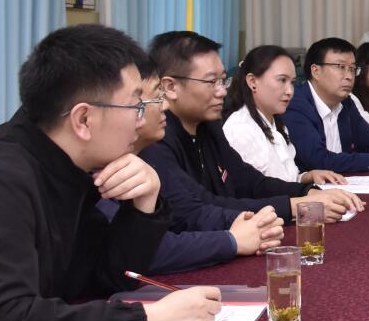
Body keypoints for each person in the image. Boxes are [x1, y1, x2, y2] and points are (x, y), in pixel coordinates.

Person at [0, 25, 221, 321]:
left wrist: (145, 205)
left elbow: (108, 275)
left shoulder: (65, 167)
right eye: (135, 106)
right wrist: (147, 319)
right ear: (83, 119)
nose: (140, 121)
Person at [142, 32, 361, 225]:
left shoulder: (209, 127)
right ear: (170, 87)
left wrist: (307, 191)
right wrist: (297, 206)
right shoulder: (155, 139)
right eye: (211, 82)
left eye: (223, 80)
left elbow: (249, 182)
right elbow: (199, 207)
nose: (222, 91)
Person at [98, 60, 286, 274]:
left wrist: (242, 221)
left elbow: (190, 211)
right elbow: (140, 252)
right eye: (138, 103)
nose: (165, 105)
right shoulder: (102, 171)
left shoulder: (203, 131)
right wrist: (232, 240)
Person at [223, 45, 354, 184]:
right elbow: (258, 191)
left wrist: (308, 176)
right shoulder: (241, 129)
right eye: (282, 80)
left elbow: (285, 180)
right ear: (252, 82)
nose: (290, 91)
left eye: (292, 82)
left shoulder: (276, 124)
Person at [284, 37, 369, 174]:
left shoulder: (346, 102)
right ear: (316, 71)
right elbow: (318, 160)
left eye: (352, 69)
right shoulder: (295, 104)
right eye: (341, 67)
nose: (349, 76)